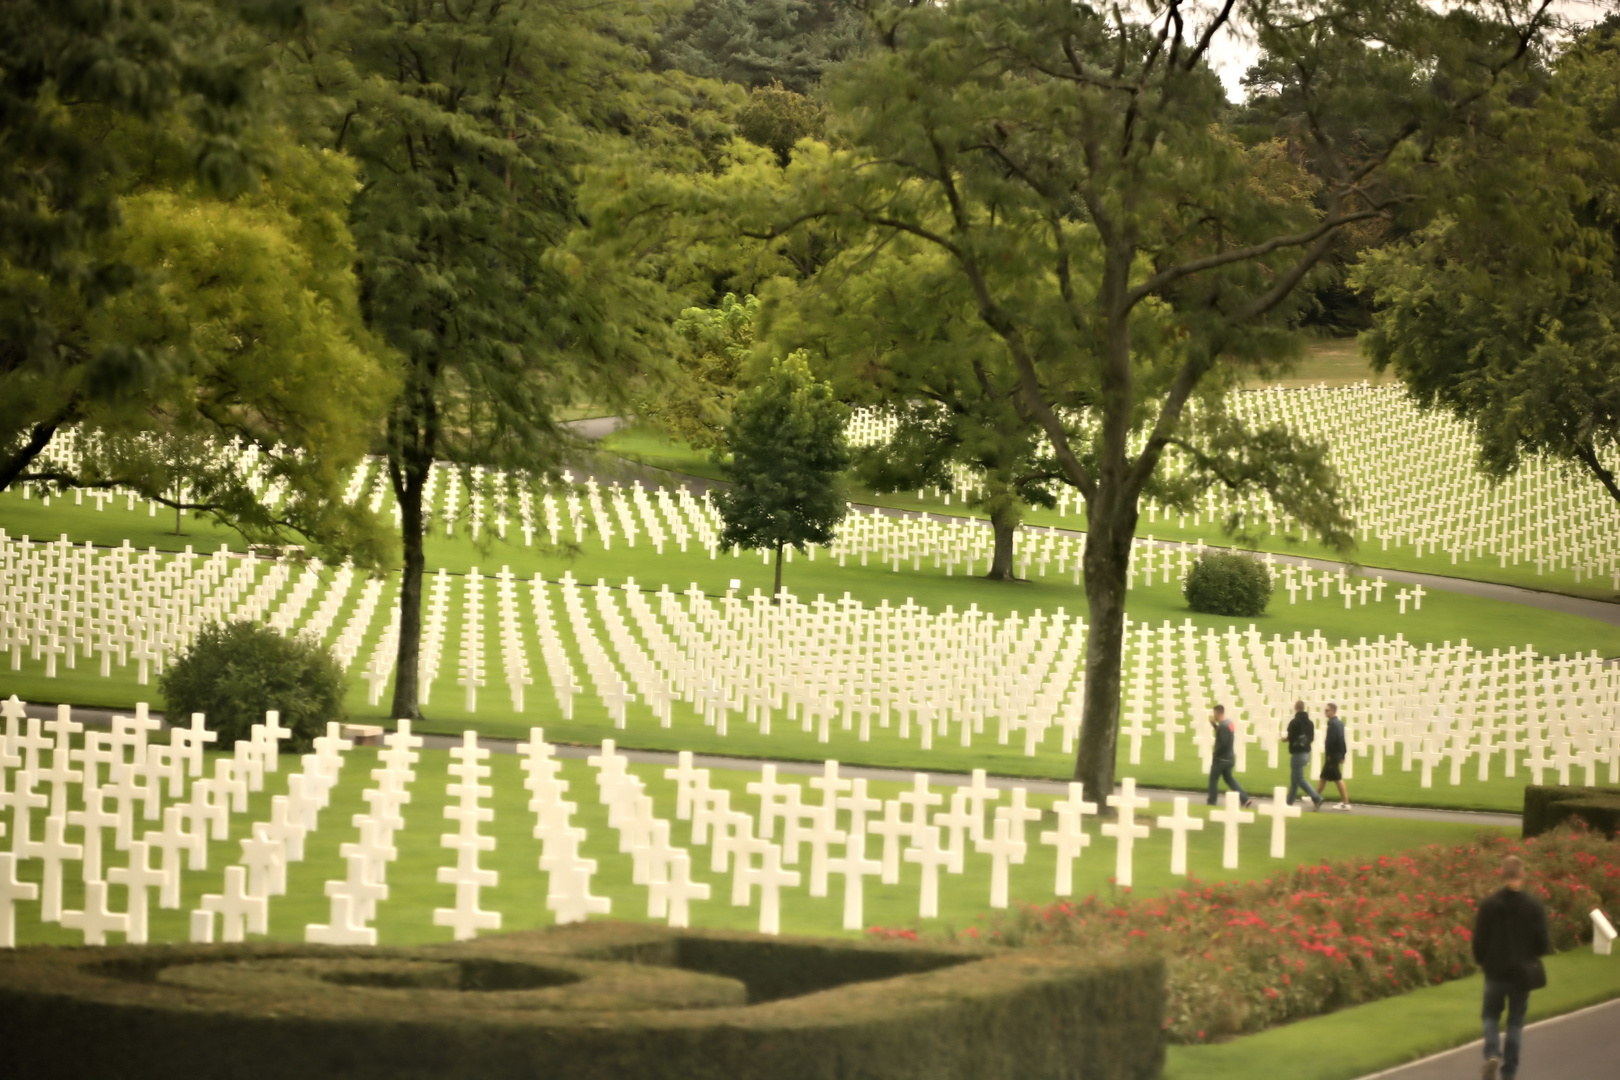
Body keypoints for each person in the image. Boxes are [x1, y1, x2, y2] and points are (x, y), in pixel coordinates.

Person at [1473, 854, 1550, 1080]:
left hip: (1495, 971)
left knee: (1490, 1015)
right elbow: (1543, 943)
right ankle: (1510, 1072)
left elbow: (1479, 940)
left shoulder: (1488, 905)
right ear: (1522, 875)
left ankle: (1492, 1053)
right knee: (1515, 1022)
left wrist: (1482, 961)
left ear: (1502, 874)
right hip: (1522, 974)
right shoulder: (1534, 906)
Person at [1206, 705, 1253, 808]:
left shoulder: (1223, 726)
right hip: (1230, 759)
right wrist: (1215, 726)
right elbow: (1225, 734)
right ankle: (1245, 799)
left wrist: (1215, 754)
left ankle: (1211, 802)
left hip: (1221, 760)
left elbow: (1223, 742)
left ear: (1217, 713)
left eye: (1214, 713)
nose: (1214, 715)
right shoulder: (1229, 723)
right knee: (1229, 779)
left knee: (1213, 780)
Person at [1283, 701, 1324, 810]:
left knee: (1299, 779)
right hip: (1306, 753)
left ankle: (1316, 798)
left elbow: (1290, 737)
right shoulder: (1310, 723)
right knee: (1294, 779)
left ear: (1295, 708)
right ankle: (1289, 802)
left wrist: (1284, 739)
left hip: (1297, 754)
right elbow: (1311, 738)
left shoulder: (1294, 722)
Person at [1320, 702, 1350, 810]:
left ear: (1333, 711)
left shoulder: (1333, 724)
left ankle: (1346, 803)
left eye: (1327, 710)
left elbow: (1332, 741)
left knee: (1338, 778)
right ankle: (1314, 797)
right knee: (1323, 776)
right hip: (1336, 754)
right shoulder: (1338, 723)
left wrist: (1330, 755)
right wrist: (1343, 754)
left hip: (1332, 756)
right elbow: (1341, 740)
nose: (1325, 712)